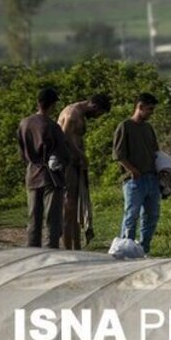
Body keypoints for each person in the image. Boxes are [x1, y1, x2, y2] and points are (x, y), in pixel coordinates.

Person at [56, 93, 111, 250]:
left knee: (75, 207)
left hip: (75, 164)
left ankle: (77, 247)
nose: (97, 117)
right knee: (69, 207)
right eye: (99, 114)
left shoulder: (79, 112)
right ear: (94, 107)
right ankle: (68, 249)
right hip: (67, 164)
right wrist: (81, 155)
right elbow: (64, 137)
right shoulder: (72, 113)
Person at [17, 87, 66, 249]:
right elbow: (62, 153)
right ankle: (50, 252)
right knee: (53, 219)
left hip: (32, 174)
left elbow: (22, 153)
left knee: (34, 218)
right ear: (52, 105)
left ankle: (32, 252)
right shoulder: (52, 126)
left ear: (38, 103)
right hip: (51, 177)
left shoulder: (24, 124)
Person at [113, 93, 161, 254]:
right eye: (149, 109)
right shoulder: (125, 126)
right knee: (131, 216)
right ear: (140, 107)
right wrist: (132, 170)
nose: (151, 113)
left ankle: (143, 250)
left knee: (151, 216)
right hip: (134, 180)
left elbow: (155, 151)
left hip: (152, 178)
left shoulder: (148, 128)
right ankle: (126, 250)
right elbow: (118, 155)